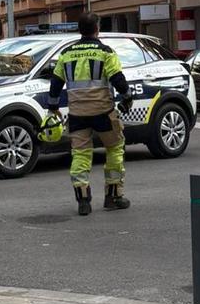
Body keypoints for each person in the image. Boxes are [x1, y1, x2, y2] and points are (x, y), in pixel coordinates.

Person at [46, 13, 134, 215]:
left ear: (79, 29)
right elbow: (117, 78)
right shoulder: (105, 51)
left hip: (77, 114)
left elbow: (56, 83)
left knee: (80, 155)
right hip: (103, 111)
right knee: (114, 148)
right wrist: (127, 96)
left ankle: (83, 200)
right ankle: (113, 196)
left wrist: (53, 107)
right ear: (97, 29)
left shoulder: (67, 53)